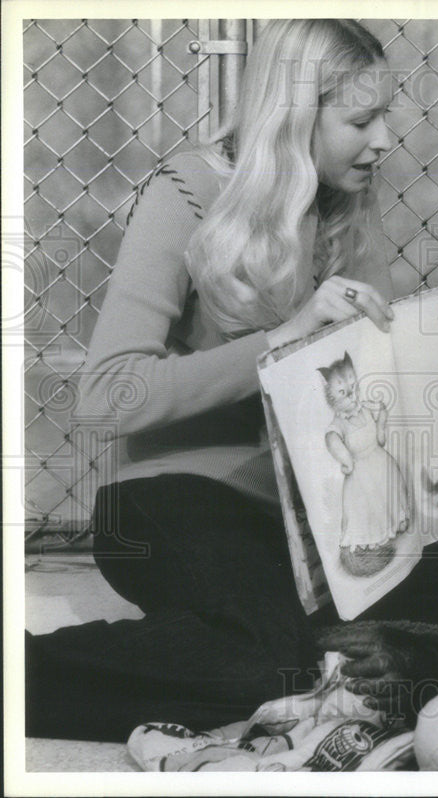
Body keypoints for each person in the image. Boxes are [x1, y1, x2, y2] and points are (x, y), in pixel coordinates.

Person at [25, 19, 398, 742]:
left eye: (386, 115)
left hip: (305, 521)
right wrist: (280, 343)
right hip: (173, 498)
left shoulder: (349, 206)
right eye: (362, 119)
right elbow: (107, 395)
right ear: (296, 117)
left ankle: (206, 636)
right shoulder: (189, 191)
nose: (384, 140)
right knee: (260, 666)